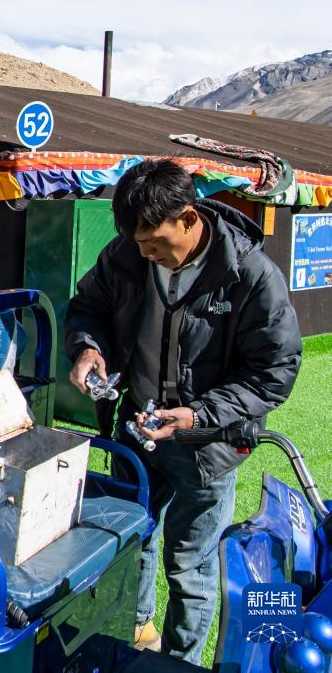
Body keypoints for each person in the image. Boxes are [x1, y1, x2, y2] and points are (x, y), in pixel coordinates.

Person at [64, 159, 301, 664]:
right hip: (135, 433)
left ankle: (179, 662)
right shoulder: (126, 255)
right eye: (138, 244)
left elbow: (274, 371)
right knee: (130, 541)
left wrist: (198, 415)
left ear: (189, 218)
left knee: (189, 566)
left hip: (206, 448)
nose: (146, 254)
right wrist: (88, 349)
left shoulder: (252, 276)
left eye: (155, 243)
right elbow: (88, 306)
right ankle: (134, 636)